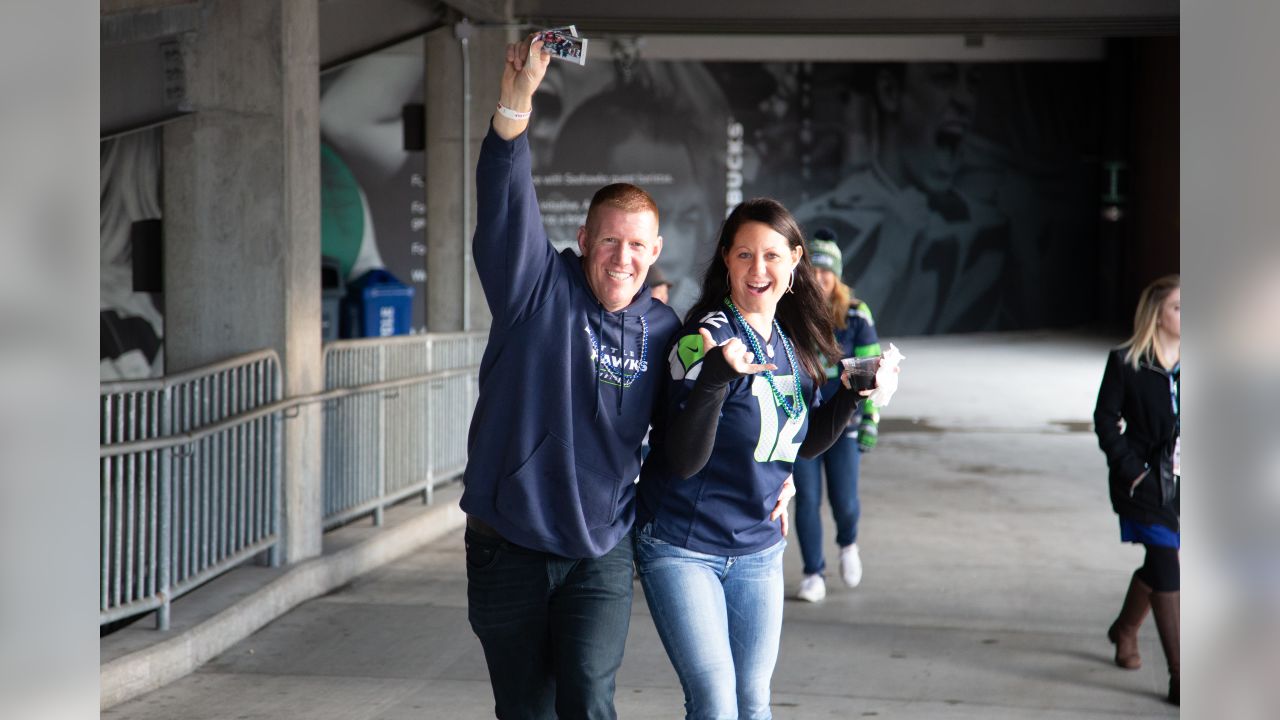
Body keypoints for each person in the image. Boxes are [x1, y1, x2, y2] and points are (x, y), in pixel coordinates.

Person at [459, 35, 684, 719]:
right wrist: (516, 102)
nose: (623, 257)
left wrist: (776, 480)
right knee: (527, 709)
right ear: (584, 240)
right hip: (509, 545)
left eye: (637, 245)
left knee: (589, 694)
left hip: (600, 549)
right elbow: (504, 195)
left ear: (656, 251)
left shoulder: (667, 332)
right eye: (609, 240)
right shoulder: (535, 289)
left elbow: (700, 425)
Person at [636, 198, 883, 719]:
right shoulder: (702, 337)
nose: (758, 269)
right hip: (684, 545)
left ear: (795, 261)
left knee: (754, 702)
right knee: (716, 701)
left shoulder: (791, 343)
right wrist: (716, 379)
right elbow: (682, 460)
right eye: (744, 254)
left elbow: (801, 441)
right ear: (726, 259)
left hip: (758, 549)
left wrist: (853, 395)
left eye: (771, 255)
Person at [794, 63, 1011, 335]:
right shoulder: (819, 219)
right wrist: (889, 259)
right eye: (944, 78)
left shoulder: (988, 228)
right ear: (889, 92)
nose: (964, 99)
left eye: (972, 83)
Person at [1093, 274, 1180, 705]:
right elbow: (1106, 420)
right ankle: (1182, 677)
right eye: (1180, 307)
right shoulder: (1127, 361)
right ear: (1157, 314)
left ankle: (1124, 628)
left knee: (1161, 560)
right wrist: (1132, 469)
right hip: (1144, 482)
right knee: (1167, 565)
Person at [791, 231, 882, 602]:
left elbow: (872, 368)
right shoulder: (793, 311)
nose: (821, 277)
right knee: (807, 500)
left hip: (845, 422)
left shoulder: (857, 314)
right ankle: (813, 572)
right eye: (815, 270)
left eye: (828, 271)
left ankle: (848, 544)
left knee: (844, 501)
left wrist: (872, 419)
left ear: (837, 274)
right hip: (804, 422)